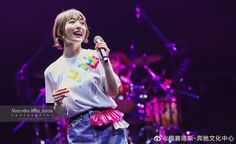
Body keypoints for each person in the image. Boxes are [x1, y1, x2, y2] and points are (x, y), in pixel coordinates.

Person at [44, 8, 128, 144]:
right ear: (60, 32)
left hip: (108, 124)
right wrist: (58, 103)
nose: (79, 26)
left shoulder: (95, 56)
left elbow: (113, 92)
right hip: (79, 130)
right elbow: (60, 113)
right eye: (72, 22)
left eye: (82, 23)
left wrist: (105, 62)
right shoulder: (51, 71)